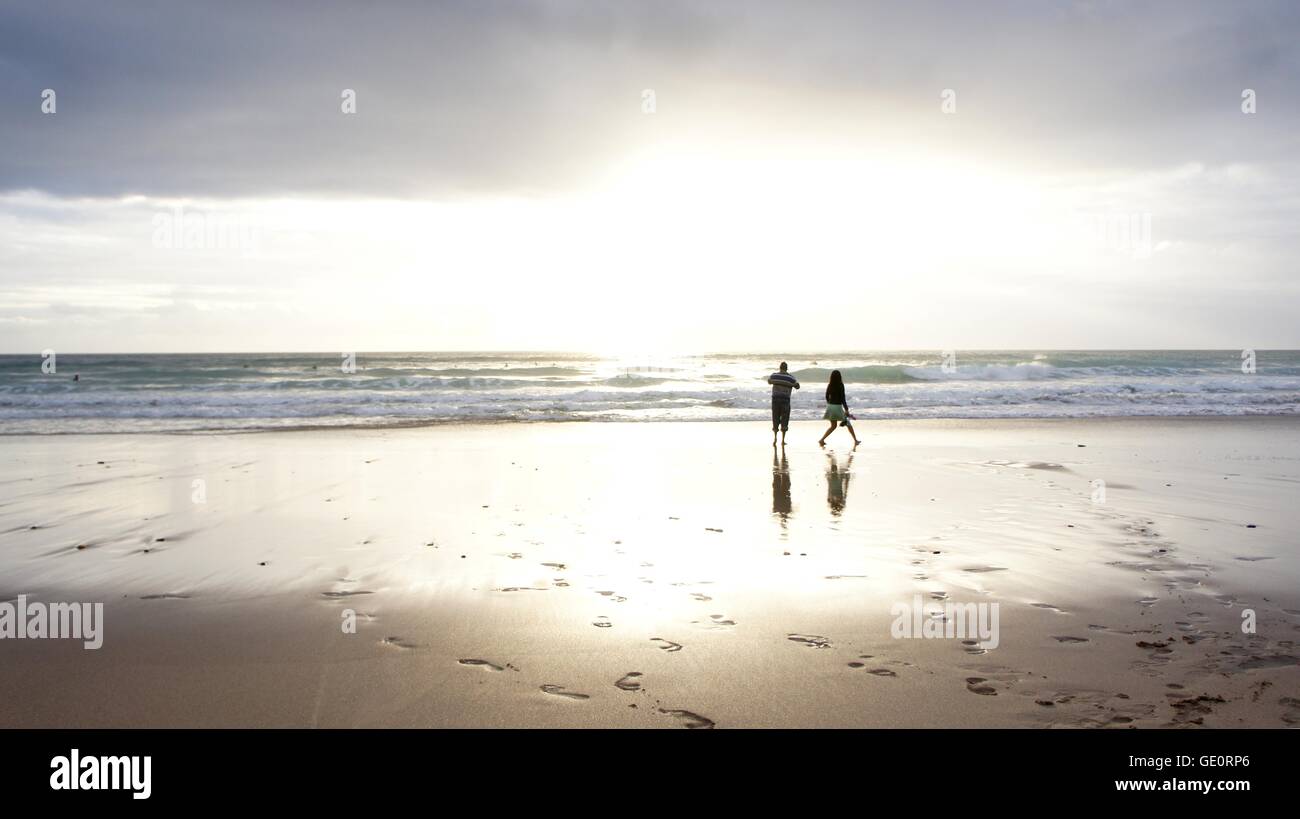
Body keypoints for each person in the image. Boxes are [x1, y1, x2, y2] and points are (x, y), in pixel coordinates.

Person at [818, 369, 860, 446]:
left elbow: (826, 396)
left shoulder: (829, 385)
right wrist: (846, 409)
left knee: (833, 426)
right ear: (839, 377)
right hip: (837, 407)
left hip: (830, 407)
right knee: (848, 424)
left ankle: (821, 440)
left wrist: (829, 404)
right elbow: (843, 398)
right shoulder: (840, 385)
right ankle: (855, 440)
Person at [766, 362, 800, 445]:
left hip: (775, 400)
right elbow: (797, 386)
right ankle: (783, 440)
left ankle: (775, 438)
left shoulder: (774, 375)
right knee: (785, 419)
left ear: (780, 367)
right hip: (785, 400)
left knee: (775, 418)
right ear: (787, 368)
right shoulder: (791, 378)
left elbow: (769, 381)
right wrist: (791, 384)